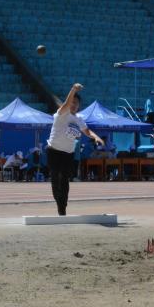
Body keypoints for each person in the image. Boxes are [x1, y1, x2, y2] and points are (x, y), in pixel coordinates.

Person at [46, 83, 105, 215]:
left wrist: (96, 137)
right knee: (55, 179)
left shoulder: (79, 119)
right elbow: (66, 104)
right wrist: (73, 89)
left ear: (79, 106)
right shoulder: (60, 113)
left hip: (68, 154)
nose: (73, 105)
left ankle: (62, 208)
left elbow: (87, 131)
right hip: (54, 151)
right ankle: (59, 202)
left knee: (65, 180)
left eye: (76, 103)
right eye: (72, 102)